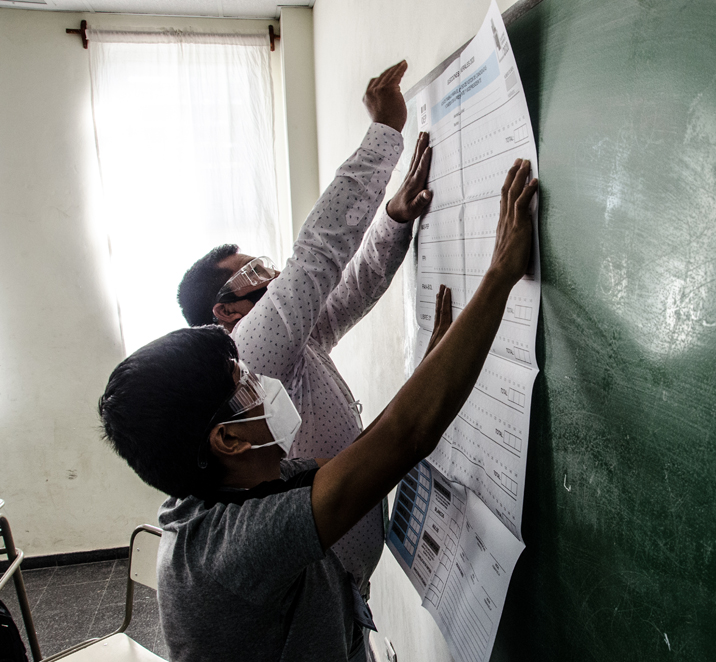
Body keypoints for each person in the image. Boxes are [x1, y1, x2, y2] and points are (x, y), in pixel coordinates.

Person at [99, 159, 538, 662]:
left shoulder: (238, 482)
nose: (262, 384)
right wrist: (501, 272)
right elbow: (405, 436)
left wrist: (430, 369)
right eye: (246, 383)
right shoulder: (241, 544)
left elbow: (370, 455)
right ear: (227, 439)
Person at [175, 61, 432, 597]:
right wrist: (384, 134)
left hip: (342, 589)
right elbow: (319, 254)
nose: (271, 276)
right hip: (322, 592)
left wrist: (395, 217)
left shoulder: (292, 344)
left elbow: (355, 283)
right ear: (224, 310)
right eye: (253, 273)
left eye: (265, 264)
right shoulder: (250, 352)